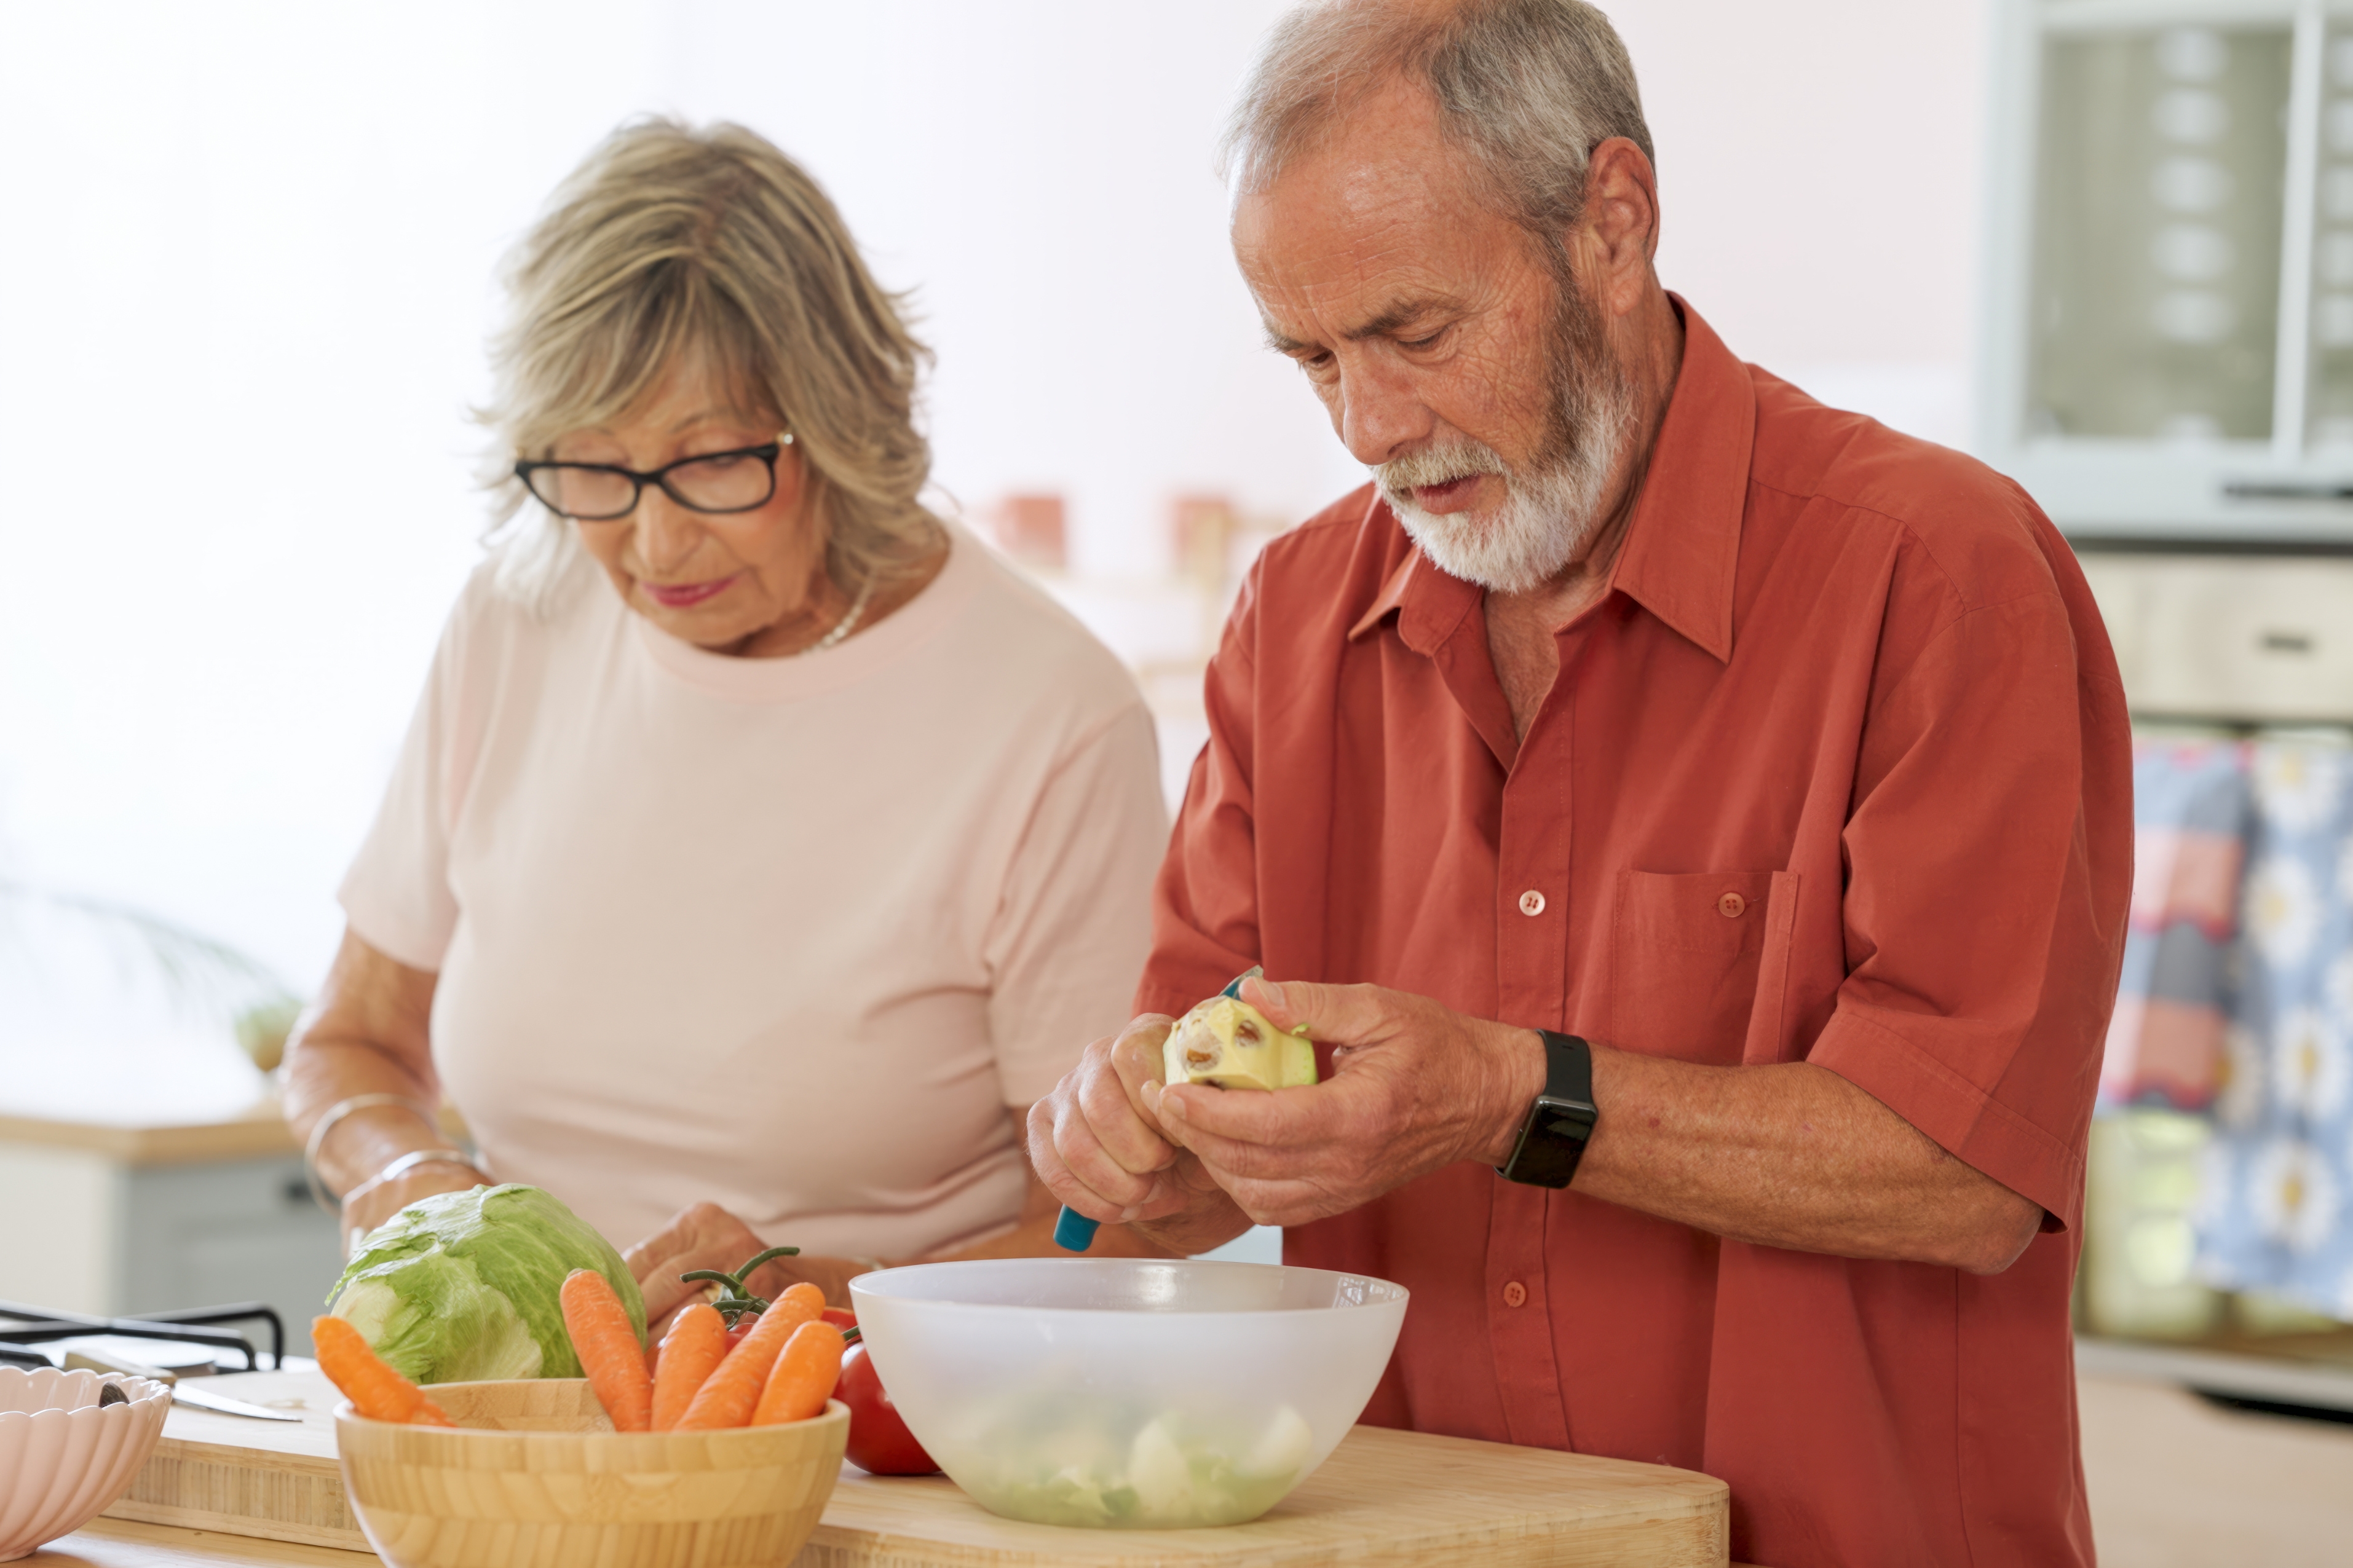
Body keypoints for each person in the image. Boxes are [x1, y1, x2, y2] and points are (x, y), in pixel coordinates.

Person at [1030, 4, 2129, 1563]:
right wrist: (1127, 1137)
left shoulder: (1937, 574)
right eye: (1314, 360)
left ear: (1615, 219)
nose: (1370, 427)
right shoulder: (1290, 620)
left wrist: (1504, 1095)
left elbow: (1965, 1173)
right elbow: (1194, 1168)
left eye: (1416, 334)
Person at [286, 119, 1171, 1327]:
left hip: (854, 1429)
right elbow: (348, 1042)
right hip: (512, 1419)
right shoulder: (521, 610)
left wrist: (850, 1301)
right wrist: (403, 1174)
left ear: (843, 423)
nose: (653, 546)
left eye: (710, 465)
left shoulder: (1052, 716)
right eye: (591, 468)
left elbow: (1105, 1223)